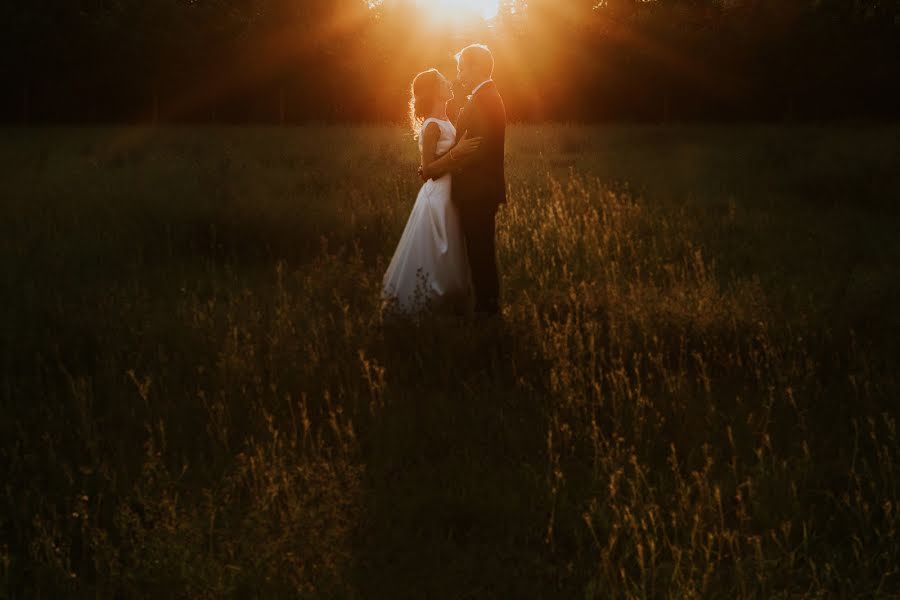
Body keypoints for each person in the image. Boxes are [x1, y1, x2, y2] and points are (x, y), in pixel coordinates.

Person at [381, 69, 482, 317]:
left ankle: (451, 301)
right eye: (443, 82)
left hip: (452, 193)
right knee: (438, 249)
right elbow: (428, 170)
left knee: (451, 247)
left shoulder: (448, 120)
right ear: (434, 91)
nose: (449, 83)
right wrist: (458, 152)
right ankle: (428, 301)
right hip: (438, 197)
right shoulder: (431, 126)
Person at [421, 44, 506, 317]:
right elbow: (465, 145)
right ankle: (484, 304)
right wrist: (439, 163)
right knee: (477, 251)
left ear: (477, 67)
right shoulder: (483, 97)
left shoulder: (485, 99)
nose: (459, 75)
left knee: (480, 252)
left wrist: (444, 165)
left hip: (478, 191)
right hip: (477, 190)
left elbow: (476, 148)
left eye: (462, 68)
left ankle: (487, 311)